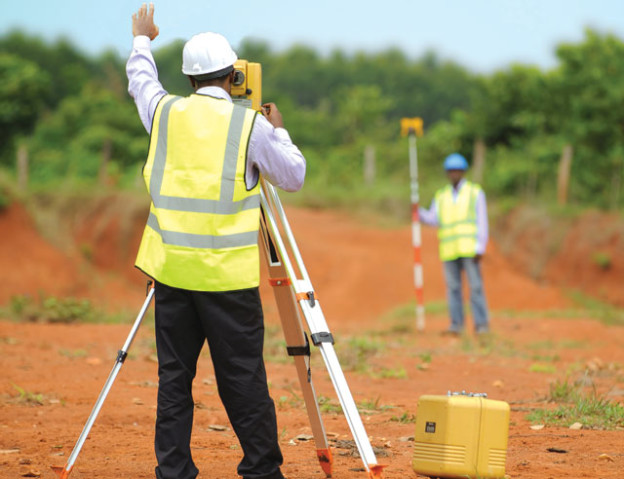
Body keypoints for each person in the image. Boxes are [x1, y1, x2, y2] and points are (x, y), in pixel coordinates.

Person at [127, 4, 306, 479]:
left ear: (188, 79)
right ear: (234, 76)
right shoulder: (250, 126)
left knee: (174, 381)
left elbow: (142, 83)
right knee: (242, 379)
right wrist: (280, 130)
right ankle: (262, 470)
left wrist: (142, 39)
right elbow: (293, 176)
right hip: (227, 281)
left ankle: (175, 471)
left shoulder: (164, 114)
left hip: (172, 275)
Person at [419, 153, 490, 336]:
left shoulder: (475, 192)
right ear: (447, 173)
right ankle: (456, 325)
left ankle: (481, 325)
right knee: (453, 290)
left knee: (475, 288)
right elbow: (434, 219)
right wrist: (418, 211)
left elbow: (482, 221)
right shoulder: (441, 196)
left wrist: (480, 246)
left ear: (463, 172)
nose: (454, 174)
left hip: (470, 249)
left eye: (457, 170)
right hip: (449, 250)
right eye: (451, 171)